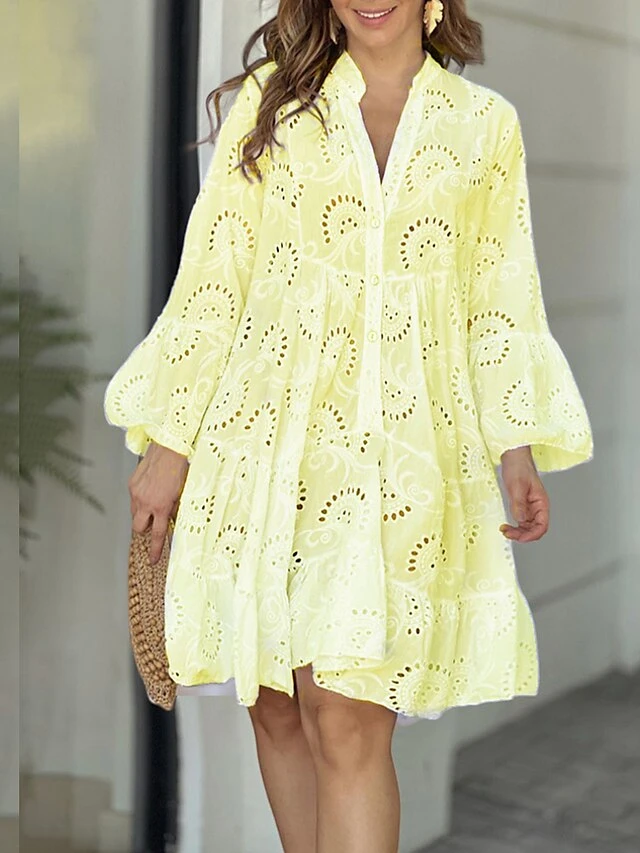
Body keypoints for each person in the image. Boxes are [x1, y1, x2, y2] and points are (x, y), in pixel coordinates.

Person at [104, 1, 594, 850]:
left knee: (348, 712)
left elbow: (500, 301)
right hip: (261, 447)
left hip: (402, 461)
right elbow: (214, 283)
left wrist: (514, 446)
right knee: (278, 707)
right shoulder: (273, 105)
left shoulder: (483, 127)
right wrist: (169, 443)